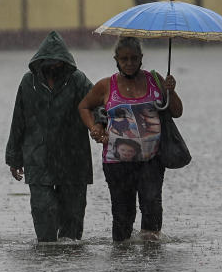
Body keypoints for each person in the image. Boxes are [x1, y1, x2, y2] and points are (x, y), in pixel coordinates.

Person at [78, 36, 183, 242]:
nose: (129, 63)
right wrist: (94, 127)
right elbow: (84, 106)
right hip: (117, 162)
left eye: (134, 58)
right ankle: (122, 262)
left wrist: (170, 91)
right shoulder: (107, 85)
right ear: (116, 59)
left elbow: (177, 112)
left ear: (141, 58)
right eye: (124, 59)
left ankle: (150, 260)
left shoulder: (155, 80)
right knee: (122, 213)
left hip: (151, 159)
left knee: (152, 206)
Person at [5, 31, 95, 242]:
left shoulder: (78, 80)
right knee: (43, 212)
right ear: (40, 61)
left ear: (65, 62)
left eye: (58, 62)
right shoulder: (28, 83)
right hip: (38, 158)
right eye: (50, 62)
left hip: (73, 159)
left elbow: (95, 104)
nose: (54, 66)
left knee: (72, 225)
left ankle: (68, 264)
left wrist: (100, 125)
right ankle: (46, 257)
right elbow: (18, 120)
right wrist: (14, 158)